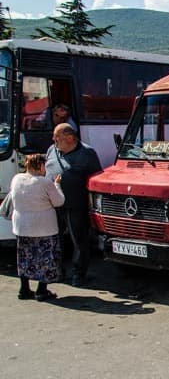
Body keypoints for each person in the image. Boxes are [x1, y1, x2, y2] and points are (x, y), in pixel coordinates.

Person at [45, 123, 102, 287]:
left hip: (75, 205)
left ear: (70, 138)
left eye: (57, 138)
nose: (54, 140)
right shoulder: (52, 149)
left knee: (79, 241)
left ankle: (78, 274)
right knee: (54, 240)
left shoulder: (87, 153)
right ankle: (57, 271)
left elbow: (95, 180)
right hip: (52, 205)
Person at [9, 153, 65, 301]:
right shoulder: (44, 182)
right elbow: (59, 201)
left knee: (25, 257)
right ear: (40, 166)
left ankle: (24, 289)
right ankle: (41, 290)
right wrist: (57, 185)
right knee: (45, 257)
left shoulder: (16, 179)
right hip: (44, 227)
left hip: (22, 226)